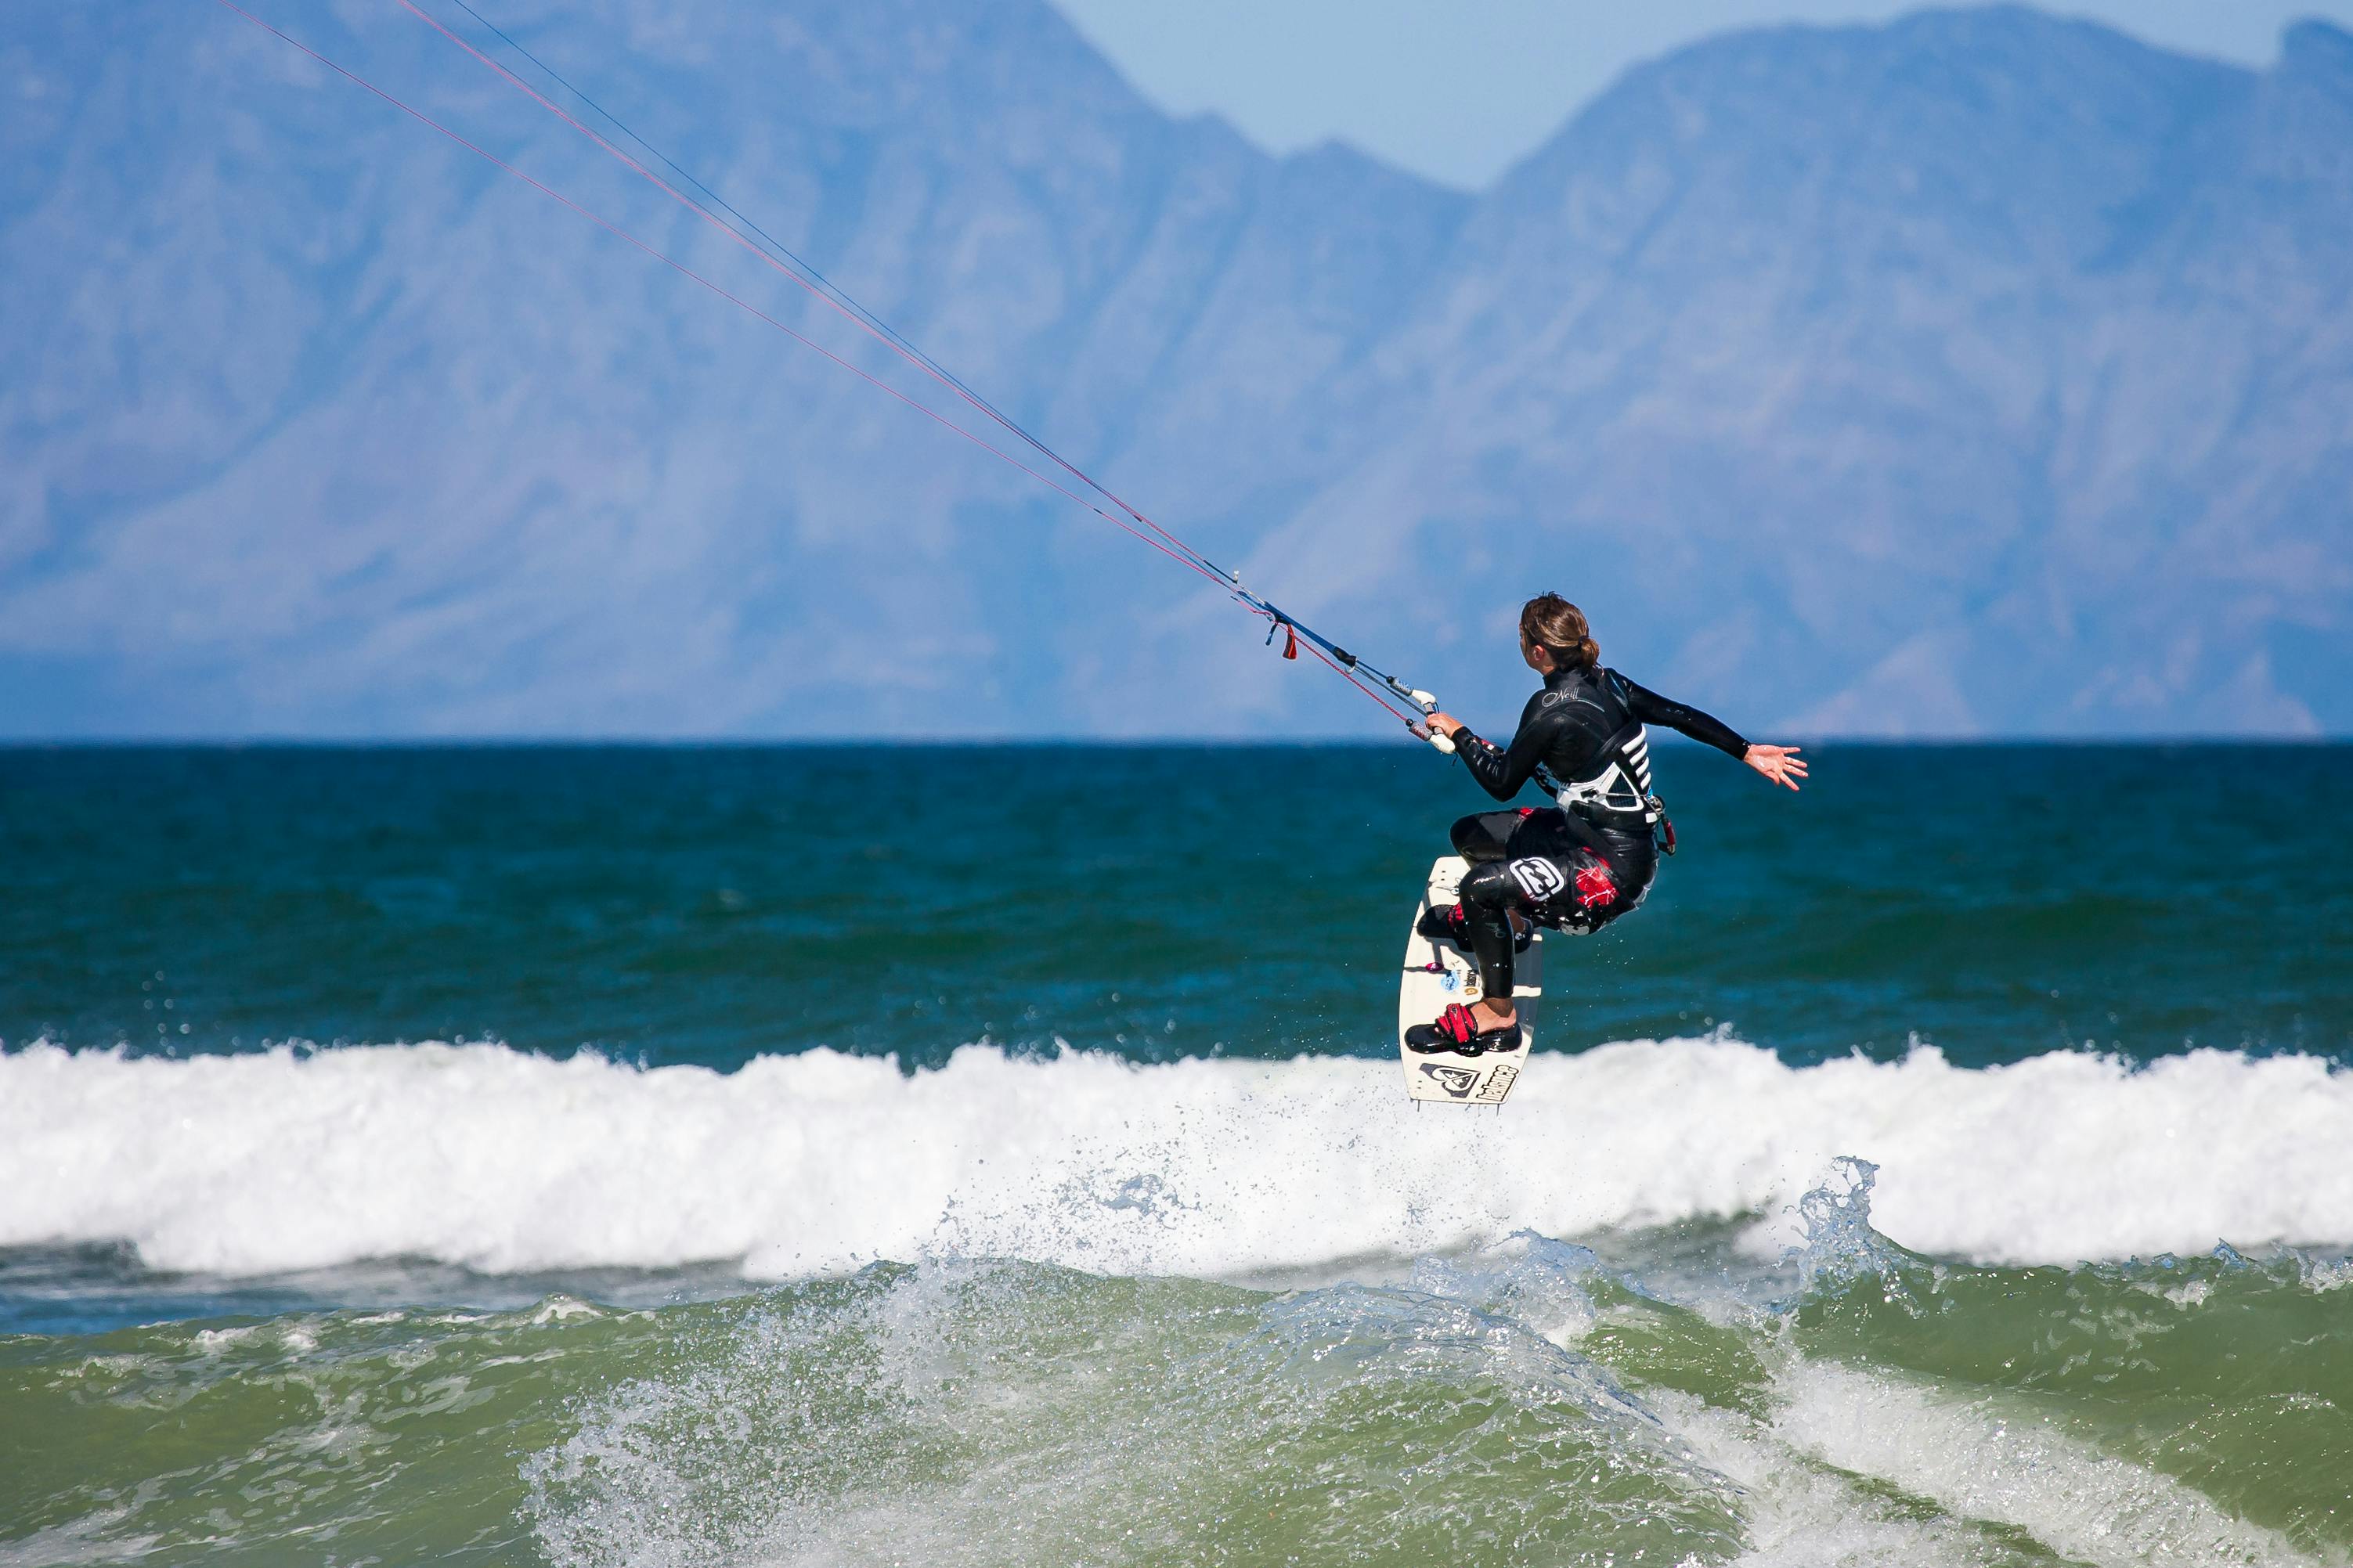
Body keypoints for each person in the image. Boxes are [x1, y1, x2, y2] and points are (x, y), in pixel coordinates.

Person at [1406, 593, 1806, 1054]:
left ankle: (1497, 1015)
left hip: (1610, 874)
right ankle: (1509, 924)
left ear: (1537, 651)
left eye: (1522, 636)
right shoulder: (1610, 683)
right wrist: (1746, 750)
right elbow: (1679, 715)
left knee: (1478, 888)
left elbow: (1501, 782)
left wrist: (1458, 734)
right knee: (1471, 836)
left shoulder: (1547, 709)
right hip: (1587, 838)